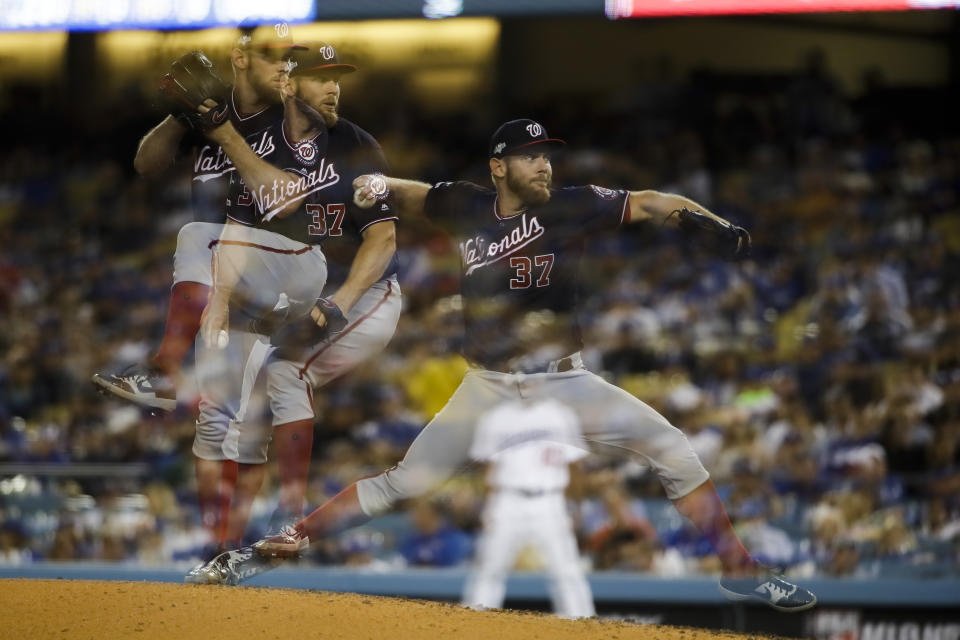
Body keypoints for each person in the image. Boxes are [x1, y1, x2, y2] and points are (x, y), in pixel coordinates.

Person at [213, 118, 817, 612]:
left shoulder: (575, 206)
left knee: (675, 448)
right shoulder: (466, 205)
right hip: (489, 389)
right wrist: (379, 181)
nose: (544, 165)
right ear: (499, 166)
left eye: (547, 155)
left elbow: (653, 203)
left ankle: (739, 568)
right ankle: (286, 540)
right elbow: (417, 195)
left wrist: (705, 221)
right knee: (403, 482)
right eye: (530, 156)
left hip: (565, 382)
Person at [183, 41, 401, 583]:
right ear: (287, 84)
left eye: (338, 77)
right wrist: (219, 301)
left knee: (283, 373)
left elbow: (384, 239)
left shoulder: (357, 145)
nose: (334, 87)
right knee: (243, 421)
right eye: (320, 76)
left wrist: (340, 303)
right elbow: (236, 233)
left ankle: (289, 516)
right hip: (300, 305)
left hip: (368, 296)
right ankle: (231, 555)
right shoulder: (259, 149)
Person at [461, 397, 595, 619]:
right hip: (506, 498)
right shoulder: (495, 417)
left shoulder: (561, 414)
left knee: (566, 571)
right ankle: (471, 625)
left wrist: (577, 506)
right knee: (489, 568)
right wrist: (488, 506)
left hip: (550, 499)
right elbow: (487, 467)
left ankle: (583, 626)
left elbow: (575, 465)